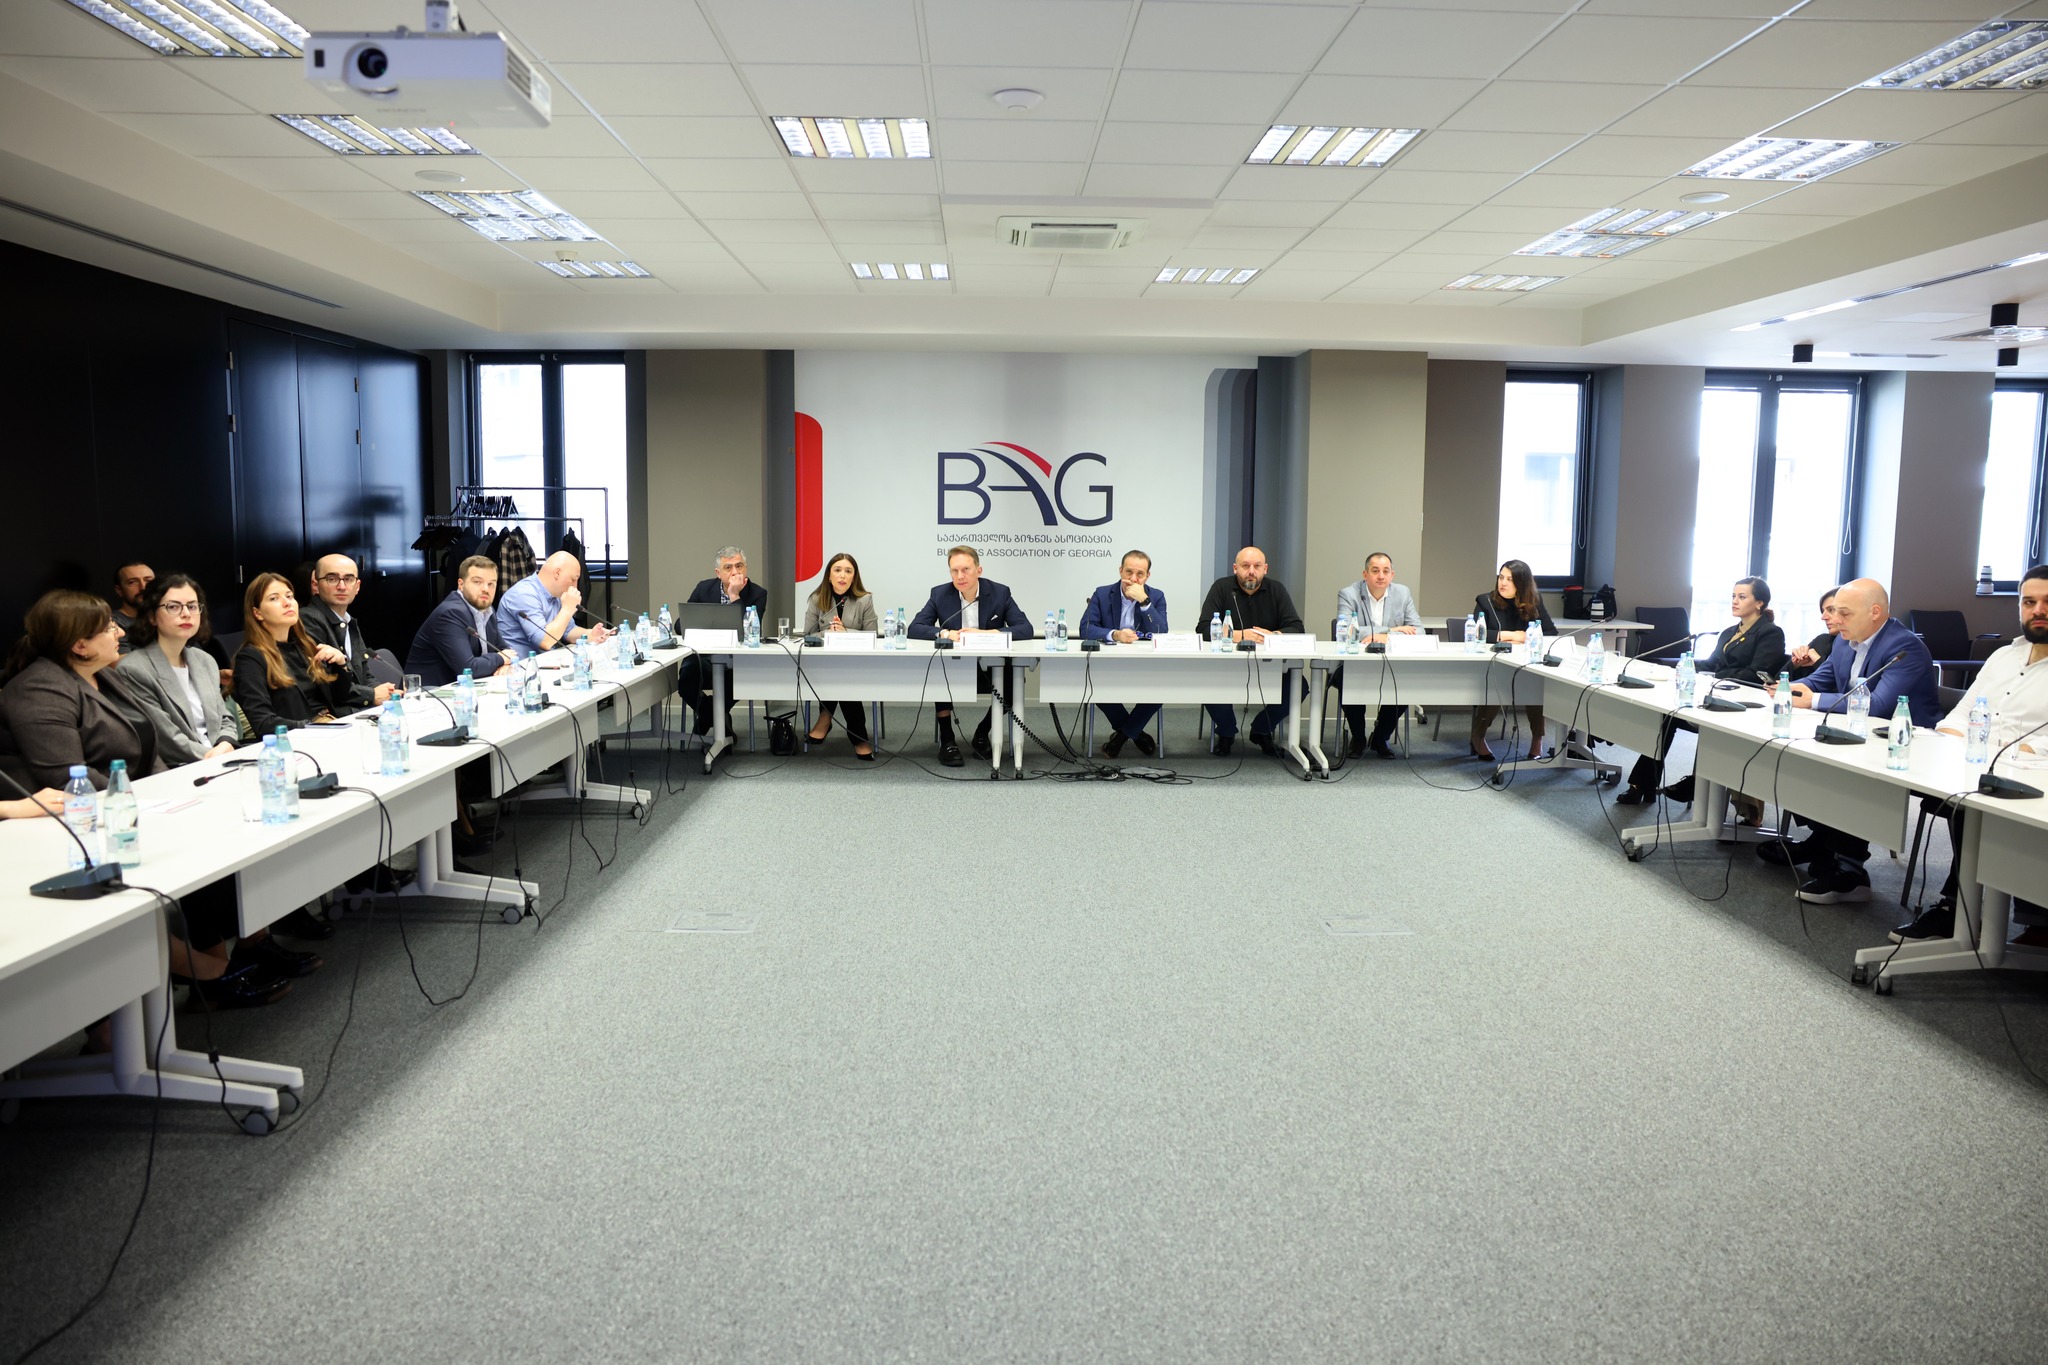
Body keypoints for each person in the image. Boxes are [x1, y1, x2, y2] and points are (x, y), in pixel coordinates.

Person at [0, 590, 291, 1007]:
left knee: (211, 833)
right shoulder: (39, 688)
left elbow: (146, 742)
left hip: (133, 802)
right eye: (107, 628)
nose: (119, 632)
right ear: (80, 645)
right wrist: (139, 801)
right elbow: (67, 775)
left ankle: (230, 954)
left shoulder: (105, 675)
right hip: (82, 824)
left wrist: (165, 794)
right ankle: (205, 972)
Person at [1891, 565, 2048, 944]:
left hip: (2035, 782)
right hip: (1980, 772)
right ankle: (1956, 909)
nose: (2038, 610)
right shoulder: (2004, 657)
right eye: (2029, 602)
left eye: (2047, 602)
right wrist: (1952, 737)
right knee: (1965, 801)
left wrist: (2016, 749)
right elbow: (1963, 712)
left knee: (1983, 808)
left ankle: (2036, 921)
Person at [1760, 578, 1942, 904]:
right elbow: (1820, 680)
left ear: (1875, 612)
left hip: (1905, 743)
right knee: (1800, 754)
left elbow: (1879, 705)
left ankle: (1850, 869)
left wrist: (1813, 700)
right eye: (1834, 612)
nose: (1836, 619)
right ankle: (1822, 842)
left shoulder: (1905, 647)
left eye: (1844, 613)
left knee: (1846, 768)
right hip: (1857, 733)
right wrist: (1790, 688)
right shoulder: (1845, 642)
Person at [1616, 576, 1788, 804]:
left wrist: (1715, 675)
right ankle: (1643, 784)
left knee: (1699, 724)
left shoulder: (1770, 633)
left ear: (1759, 603)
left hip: (1744, 706)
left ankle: (1696, 784)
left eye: (1742, 597)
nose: (1735, 601)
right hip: (1717, 696)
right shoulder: (1729, 632)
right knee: (1666, 716)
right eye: (1733, 596)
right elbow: (1712, 664)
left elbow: (1756, 673)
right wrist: (1682, 667)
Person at [907, 545, 1034, 767]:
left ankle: (982, 732)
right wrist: (946, 633)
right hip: (954, 666)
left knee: (1014, 683)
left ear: (978, 570)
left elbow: (1025, 629)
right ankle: (947, 739)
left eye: (965, 569)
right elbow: (915, 628)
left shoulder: (1000, 593)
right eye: (954, 571)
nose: (960, 576)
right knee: (940, 673)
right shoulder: (940, 594)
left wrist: (987, 633)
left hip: (991, 666)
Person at [113, 574, 239, 766]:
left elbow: (225, 719)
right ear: (152, 616)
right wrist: (215, 758)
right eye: (173, 607)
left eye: (192, 606)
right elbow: (167, 741)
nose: (186, 613)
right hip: (180, 768)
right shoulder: (134, 670)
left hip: (222, 759)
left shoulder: (205, 660)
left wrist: (226, 744)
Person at [1193, 546, 1304, 756]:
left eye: (1257, 566)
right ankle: (1226, 732)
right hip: (1225, 666)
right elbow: (1203, 629)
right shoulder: (1222, 588)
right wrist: (1236, 635)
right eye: (1245, 566)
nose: (1251, 571)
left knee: (1300, 686)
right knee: (1206, 681)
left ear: (1265, 569)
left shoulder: (1276, 590)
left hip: (1269, 667)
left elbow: (1297, 628)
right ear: (1235, 568)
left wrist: (1274, 635)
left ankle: (1261, 729)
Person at [232, 572, 361, 733]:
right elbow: (263, 722)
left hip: (329, 724)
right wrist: (313, 727)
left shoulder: (304, 646)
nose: (287, 603)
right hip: (300, 737)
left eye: (289, 596)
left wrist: (341, 665)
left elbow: (339, 698)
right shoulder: (250, 658)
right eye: (274, 598)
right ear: (257, 613)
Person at [1079, 550, 1168, 758]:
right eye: (1129, 572)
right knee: (1095, 686)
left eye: (1140, 574)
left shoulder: (1156, 596)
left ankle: (1120, 738)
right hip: (1108, 664)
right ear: (1120, 571)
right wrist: (1115, 634)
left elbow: (1161, 632)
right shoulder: (1102, 594)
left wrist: (1144, 602)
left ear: (1147, 576)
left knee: (1161, 690)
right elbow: (1086, 628)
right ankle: (1135, 733)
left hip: (1146, 665)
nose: (1133, 579)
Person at [1334, 551, 1422, 759]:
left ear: (1392, 575)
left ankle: (1380, 737)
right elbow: (1345, 630)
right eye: (1375, 571)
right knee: (1347, 681)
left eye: (1385, 571)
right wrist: (1391, 630)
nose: (1381, 576)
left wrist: (1384, 637)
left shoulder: (1402, 593)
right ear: (1365, 574)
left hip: (1392, 664)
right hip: (1355, 664)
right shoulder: (1349, 594)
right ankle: (1358, 738)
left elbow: (1419, 631)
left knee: (1404, 685)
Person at [678, 546, 772, 738]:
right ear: (718, 573)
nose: (735, 572)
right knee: (686, 676)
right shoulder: (704, 588)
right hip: (704, 657)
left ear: (746, 568)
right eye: (728, 568)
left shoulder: (758, 593)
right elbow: (680, 625)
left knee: (741, 679)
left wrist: (734, 596)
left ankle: (706, 718)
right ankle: (714, 716)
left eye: (739, 566)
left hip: (738, 659)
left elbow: (747, 632)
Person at [1469, 559, 1554, 762]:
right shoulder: (1485, 601)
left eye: (1510, 579)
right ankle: (1477, 736)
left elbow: (1550, 632)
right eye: (1501, 577)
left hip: (1526, 664)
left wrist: (1525, 637)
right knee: (1497, 684)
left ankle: (1537, 739)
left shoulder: (1534, 602)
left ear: (1522, 584)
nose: (1503, 583)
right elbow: (1476, 633)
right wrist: (1511, 635)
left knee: (1537, 686)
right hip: (1494, 665)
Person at [801, 552, 876, 759]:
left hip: (857, 663)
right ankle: (859, 737)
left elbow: (873, 635)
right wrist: (828, 633)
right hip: (824, 663)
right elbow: (807, 635)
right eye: (838, 570)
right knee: (837, 672)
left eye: (848, 571)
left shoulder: (864, 599)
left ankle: (825, 718)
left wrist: (846, 632)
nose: (842, 575)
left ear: (854, 577)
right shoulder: (817, 599)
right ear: (829, 575)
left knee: (843, 673)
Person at [301, 553, 395, 708]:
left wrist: (387, 692)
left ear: (357, 587)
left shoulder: (348, 621)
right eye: (332, 579)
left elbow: (364, 675)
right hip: (332, 715)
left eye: (348, 579)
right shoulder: (308, 620)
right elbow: (326, 686)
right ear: (315, 585)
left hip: (356, 709)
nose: (342, 587)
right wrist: (372, 695)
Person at [407, 554, 516, 687]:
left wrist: (504, 664)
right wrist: (500, 658)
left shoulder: (487, 609)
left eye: (491, 584)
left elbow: (505, 650)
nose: (485, 589)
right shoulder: (450, 614)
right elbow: (468, 669)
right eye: (477, 582)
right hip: (430, 692)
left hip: (466, 688)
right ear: (461, 584)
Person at [496, 550, 612, 659]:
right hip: (520, 667)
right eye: (573, 579)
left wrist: (591, 634)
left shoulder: (556, 594)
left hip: (543, 663)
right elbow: (545, 641)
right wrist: (567, 609)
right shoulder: (524, 594)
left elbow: (568, 630)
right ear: (557, 573)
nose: (575, 586)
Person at [1787, 587, 1841, 682]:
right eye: (1823, 611)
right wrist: (1795, 665)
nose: (1823, 617)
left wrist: (1818, 661)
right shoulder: (1822, 641)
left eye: (1831, 610)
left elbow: (1841, 686)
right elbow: (1776, 682)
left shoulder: (1856, 645)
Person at [109, 560, 153, 651]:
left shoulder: (166, 618)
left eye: (148, 581)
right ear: (119, 590)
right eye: (132, 582)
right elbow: (124, 660)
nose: (143, 587)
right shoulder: (113, 623)